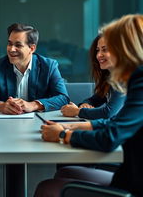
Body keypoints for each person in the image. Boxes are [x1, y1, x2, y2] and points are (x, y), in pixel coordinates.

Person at [34, 14, 143, 197]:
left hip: (132, 186)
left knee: (46, 188)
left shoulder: (139, 79)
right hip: (128, 176)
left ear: (127, 47)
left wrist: (63, 134)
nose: (103, 54)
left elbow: (110, 137)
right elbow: (118, 122)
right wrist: (75, 125)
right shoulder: (135, 77)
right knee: (65, 172)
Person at [0, 23, 69, 114]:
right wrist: (1, 106)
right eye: (9, 44)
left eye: (18, 45)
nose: (11, 49)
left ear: (32, 48)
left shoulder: (49, 66)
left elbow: (63, 98)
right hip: (7, 122)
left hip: (40, 123)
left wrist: (33, 105)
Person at [61, 34, 126, 119]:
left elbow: (109, 113)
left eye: (104, 50)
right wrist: (85, 105)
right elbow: (94, 99)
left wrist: (77, 111)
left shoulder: (124, 77)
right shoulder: (111, 77)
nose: (99, 55)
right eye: (98, 50)